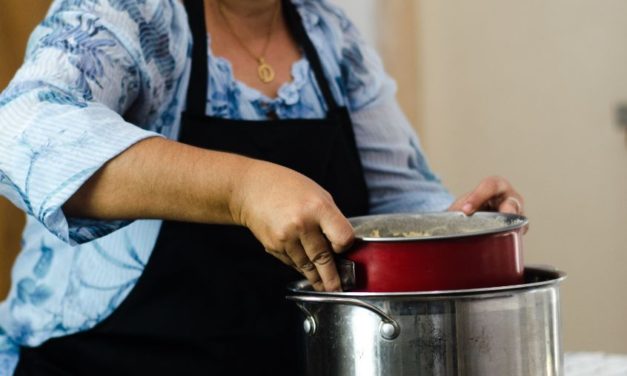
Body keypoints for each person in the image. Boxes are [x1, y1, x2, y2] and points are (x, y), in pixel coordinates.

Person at [0, 0, 524, 374]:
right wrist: (243, 188)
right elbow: (21, 131)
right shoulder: (131, 14)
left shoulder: (328, 34)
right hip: (100, 360)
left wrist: (462, 224)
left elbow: (397, 198)